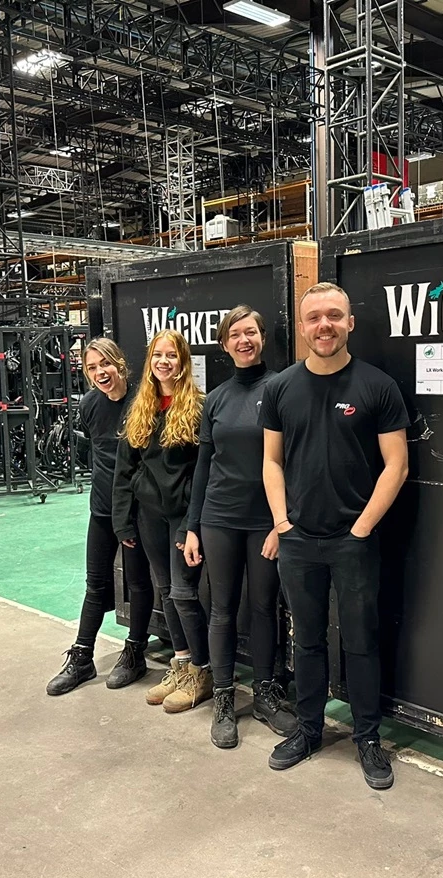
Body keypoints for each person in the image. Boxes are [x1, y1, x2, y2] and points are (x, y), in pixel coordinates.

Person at [259, 281, 410, 790]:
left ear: (350, 323)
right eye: (314, 317)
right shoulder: (280, 388)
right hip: (298, 540)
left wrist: (361, 527)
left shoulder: (377, 386)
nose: (324, 325)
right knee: (307, 642)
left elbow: (396, 466)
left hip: (354, 542)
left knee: (362, 641)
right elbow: (271, 461)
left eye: (334, 316)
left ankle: (367, 737)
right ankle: (309, 730)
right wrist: (282, 522)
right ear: (302, 328)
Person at [183, 306, 297, 749]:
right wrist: (192, 526)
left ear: (262, 337)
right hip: (219, 518)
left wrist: (281, 522)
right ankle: (224, 698)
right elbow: (203, 466)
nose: (243, 340)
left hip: (266, 521)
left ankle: (265, 693)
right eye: (234, 334)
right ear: (224, 343)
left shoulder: (283, 388)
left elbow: (295, 462)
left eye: (250, 332)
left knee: (265, 607)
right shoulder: (215, 399)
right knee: (222, 608)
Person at [46, 339, 155, 696]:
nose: (100, 372)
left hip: (136, 510)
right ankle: (82, 657)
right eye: (92, 368)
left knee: (138, 582)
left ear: (119, 363)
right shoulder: (89, 404)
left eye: (105, 364)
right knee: (95, 584)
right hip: (102, 509)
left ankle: (135, 652)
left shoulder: (143, 401)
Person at [112, 329, 212, 713]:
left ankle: (202, 671)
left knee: (184, 594)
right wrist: (123, 520)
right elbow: (125, 469)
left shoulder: (198, 408)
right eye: (157, 355)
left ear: (183, 361)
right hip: (148, 515)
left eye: (171, 355)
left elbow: (204, 472)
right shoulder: (141, 407)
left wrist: (192, 524)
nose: (163, 362)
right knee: (166, 590)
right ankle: (181, 664)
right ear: (149, 362)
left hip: (182, 516)